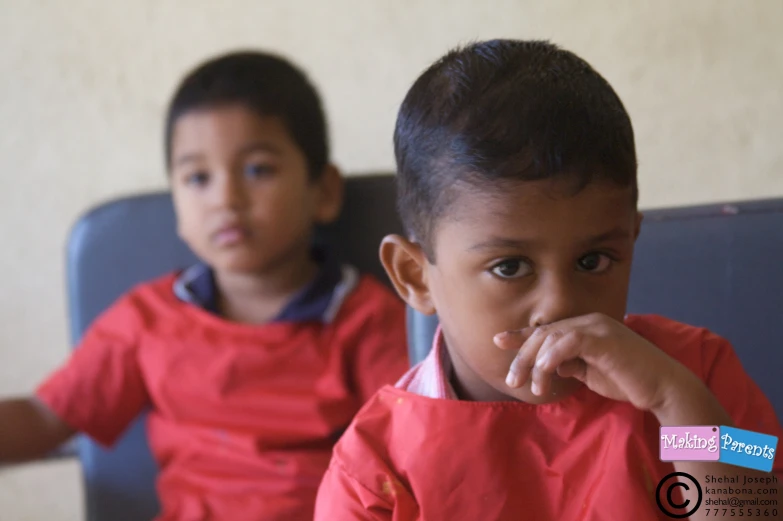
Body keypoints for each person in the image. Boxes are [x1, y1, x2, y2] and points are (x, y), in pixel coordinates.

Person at [314, 39, 782, 520]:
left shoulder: (696, 375)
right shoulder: (375, 470)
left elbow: (761, 502)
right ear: (416, 276)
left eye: (594, 260)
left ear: (631, 241)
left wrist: (674, 405)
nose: (559, 305)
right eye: (509, 267)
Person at [0, 50, 409, 521]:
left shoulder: (366, 321)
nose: (225, 200)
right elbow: (45, 418)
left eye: (258, 170)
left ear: (324, 191)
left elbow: (414, 453)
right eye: (198, 178)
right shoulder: (147, 320)